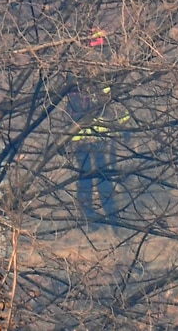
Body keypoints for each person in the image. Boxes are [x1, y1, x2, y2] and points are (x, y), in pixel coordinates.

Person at [64, 29, 131, 229]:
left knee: (93, 180)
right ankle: (99, 223)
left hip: (90, 136)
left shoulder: (76, 73)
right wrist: (123, 127)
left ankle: (98, 223)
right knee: (97, 180)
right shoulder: (96, 76)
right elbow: (114, 105)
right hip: (93, 137)